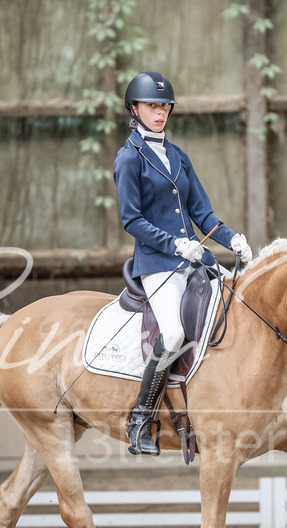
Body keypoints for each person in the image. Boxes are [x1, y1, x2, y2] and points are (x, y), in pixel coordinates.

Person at [114, 71, 253, 456]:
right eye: (151, 106)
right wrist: (176, 246)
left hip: (196, 259)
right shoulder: (128, 159)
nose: (159, 113)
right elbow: (132, 220)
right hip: (158, 265)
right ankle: (140, 418)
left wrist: (232, 239)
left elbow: (203, 215)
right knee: (174, 334)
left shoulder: (177, 156)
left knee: (238, 308)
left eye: (164, 106)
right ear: (135, 109)